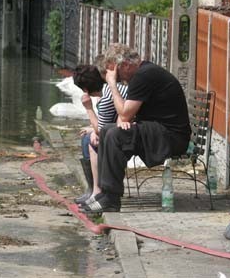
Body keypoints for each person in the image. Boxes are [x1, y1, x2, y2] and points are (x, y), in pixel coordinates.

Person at [83, 43, 190, 213]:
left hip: (170, 137)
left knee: (115, 136)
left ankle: (111, 199)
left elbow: (124, 114)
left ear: (124, 65)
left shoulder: (144, 75)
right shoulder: (143, 73)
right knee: (108, 131)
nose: (118, 78)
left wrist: (112, 84)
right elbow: (126, 115)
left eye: (117, 74)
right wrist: (124, 120)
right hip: (158, 131)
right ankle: (105, 193)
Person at [72, 60, 127, 207]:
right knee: (87, 137)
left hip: (124, 135)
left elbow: (101, 130)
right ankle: (93, 189)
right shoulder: (112, 89)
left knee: (90, 141)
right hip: (122, 129)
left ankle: (97, 191)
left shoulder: (106, 98)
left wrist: (88, 108)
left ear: (85, 88)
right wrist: (94, 129)